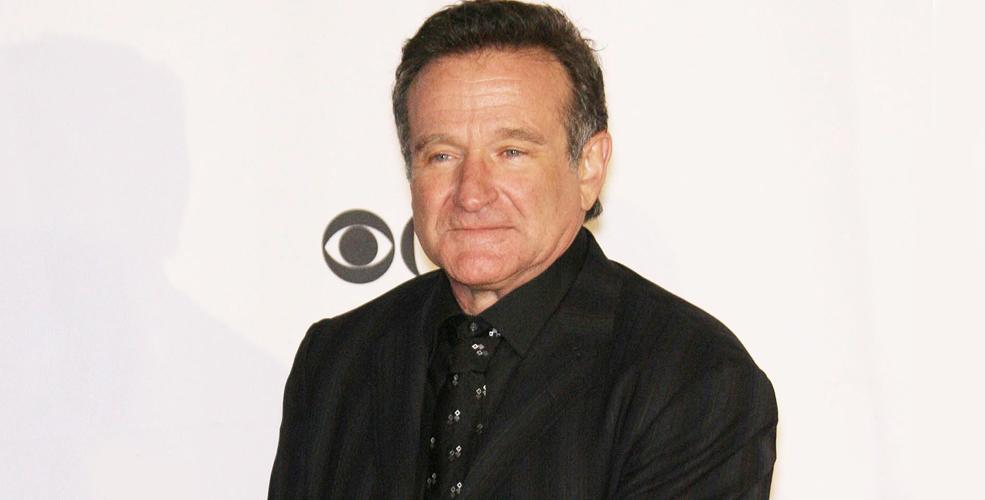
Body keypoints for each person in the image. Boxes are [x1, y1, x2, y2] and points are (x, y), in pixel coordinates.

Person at [268, 1, 777, 498]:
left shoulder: (693, 379)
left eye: (511, 152)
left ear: (589, 167)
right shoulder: (337, 361)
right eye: (441, 155)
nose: (471, 193)